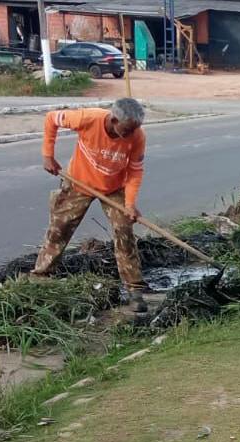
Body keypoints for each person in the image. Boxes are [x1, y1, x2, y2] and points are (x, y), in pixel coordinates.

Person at [32, 97, 150, 313]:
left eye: (135, 129)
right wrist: (48, 155)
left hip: (114, 187)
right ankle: (41, 277)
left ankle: (135, 290)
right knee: (59, 229)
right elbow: (51, 118)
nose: (132, 134)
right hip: (79, 182)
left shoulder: (137, 136)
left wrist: (130, 203)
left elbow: (135, 171)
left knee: (124, 230)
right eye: (128, 129)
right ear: (114, 120)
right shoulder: (87, 118)